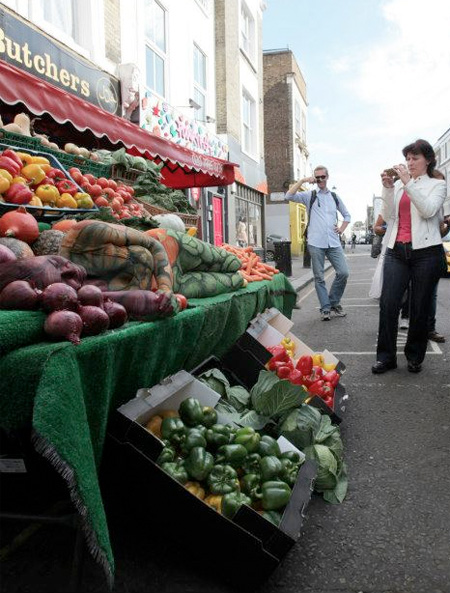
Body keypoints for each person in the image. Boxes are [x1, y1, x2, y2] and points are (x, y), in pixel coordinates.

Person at [372, 139, 447, 374]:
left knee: (419, 306)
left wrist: (407, 182)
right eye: (407, 158)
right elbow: (388, 216)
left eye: (415, 158)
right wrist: (387, 187)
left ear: (428, 160)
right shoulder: (402, 186)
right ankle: (386, 357)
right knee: (388, 303)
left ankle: (414, 356)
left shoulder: (437, 185)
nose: (409, 162)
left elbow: (428, 210)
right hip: (397, 249)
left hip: (426, 252)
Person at [285, 166, 351, 320]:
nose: (320, 180)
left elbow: (347, 215)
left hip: (334, 242)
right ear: (314, 179)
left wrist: (341, 228)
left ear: (327, 177)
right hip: (315, 242)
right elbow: (288, 196)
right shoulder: (310, 195)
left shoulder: (334, 196)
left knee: (343, 273)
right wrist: (302, 180)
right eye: (317, 177)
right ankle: (325, 308)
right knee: (319, 277)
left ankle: (333, 302)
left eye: (323, 177)